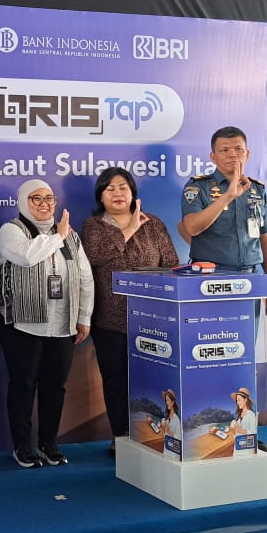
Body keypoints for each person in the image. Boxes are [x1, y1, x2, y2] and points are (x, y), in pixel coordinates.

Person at [0, 179, 93, 468]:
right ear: (23, 201)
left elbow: (85, 277)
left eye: (49, 198)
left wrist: (83, 317)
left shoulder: (69, 235)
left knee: (55, 386)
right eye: (36, 198)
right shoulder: (11, 230)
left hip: (62, 324)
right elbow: (27, 256)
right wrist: (58, 236)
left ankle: (49, 443)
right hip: (23, 324)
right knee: (23, 386)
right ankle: (22, 446)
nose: (44, 204)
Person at [81, 167, 178, 457]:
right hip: (110, 321)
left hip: (153, 320)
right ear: (100, 196)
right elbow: (94, 257)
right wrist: (132, 227)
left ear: (133, 192)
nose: (117, 193)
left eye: (123, 187)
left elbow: (171, 263)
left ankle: (151, 435)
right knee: (115, 381)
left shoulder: (154, 223)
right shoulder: (94, 225)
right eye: (109, 188)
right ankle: (121, 437)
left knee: (150, 380)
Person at [180, 126, 267, 317]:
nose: (233, 154)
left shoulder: (257, 190)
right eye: (224, 150)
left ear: (247, 154)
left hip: (251, 279)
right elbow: (192, 227)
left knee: (245, 335)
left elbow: (266, 240)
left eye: (238, 149)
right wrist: (228, 196)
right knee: (212, 333)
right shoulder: (198, 187)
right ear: (213, 157)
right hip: (212, 280)